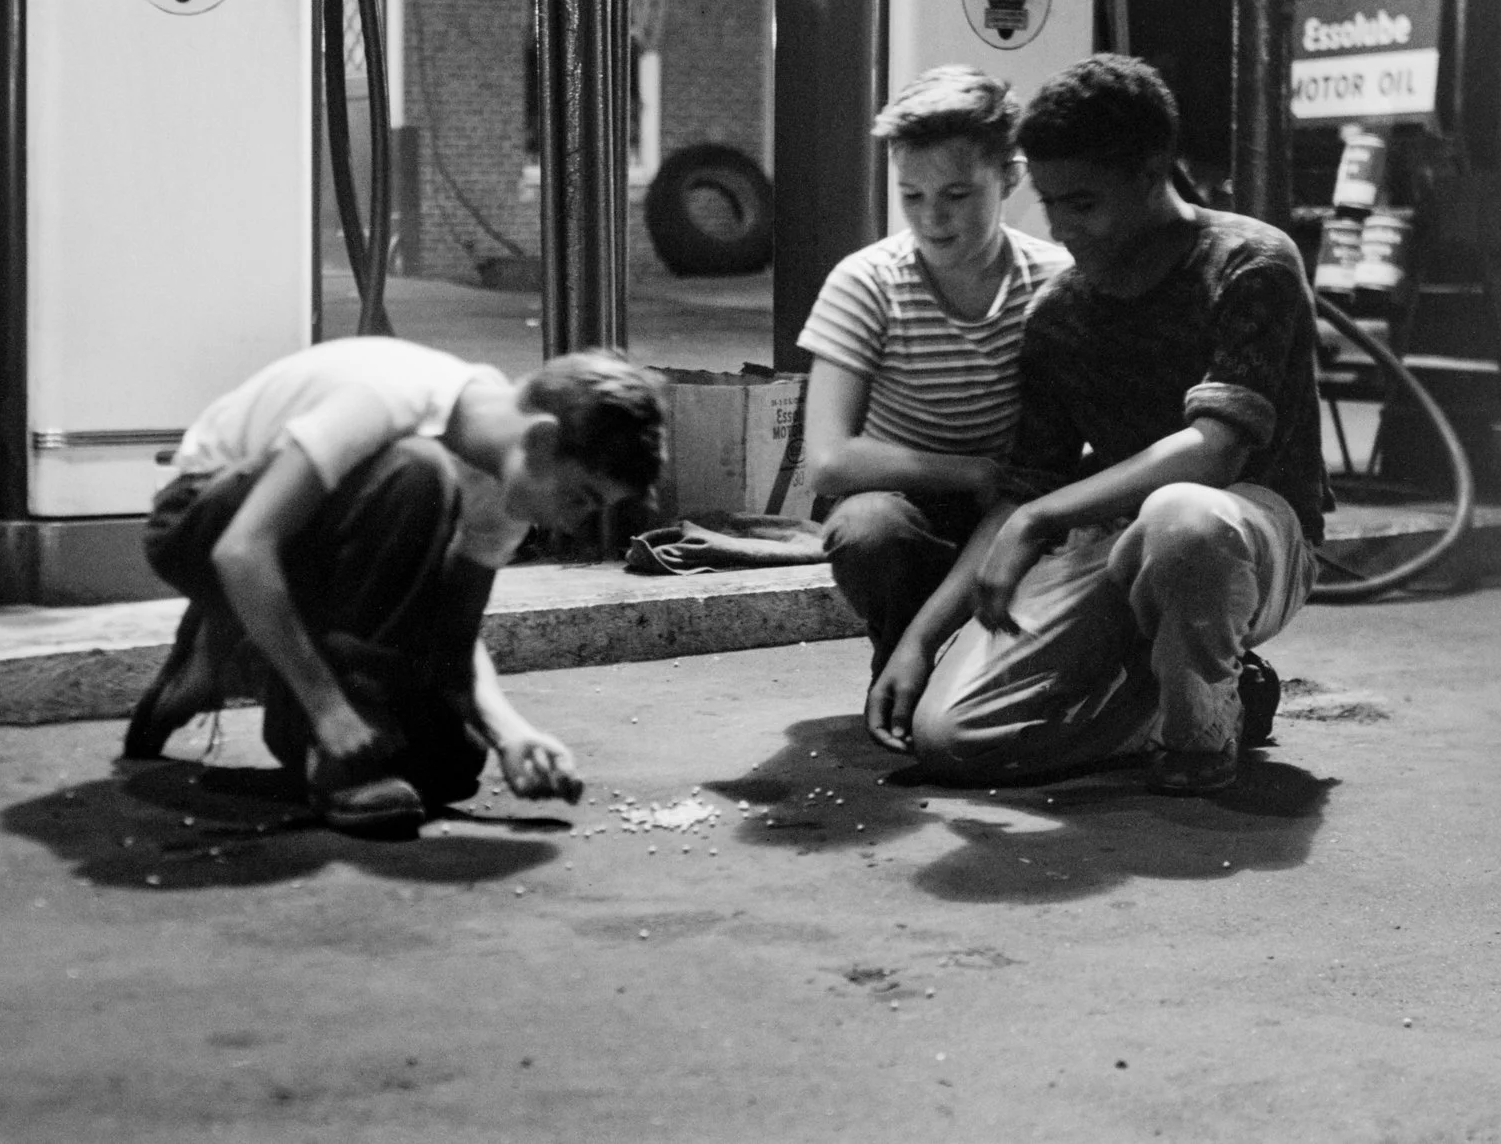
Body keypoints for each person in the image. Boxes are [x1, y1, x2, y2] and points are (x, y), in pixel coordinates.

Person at [866, 54, 1326, 796]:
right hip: (1116, 542)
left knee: (1183, 518)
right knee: (951, 739)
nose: (1062, 228)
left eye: (1082, 203)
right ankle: (1209, 700)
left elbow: (1212, 453)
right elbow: (1024, 492)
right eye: (1048, 205)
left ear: (1151, 173)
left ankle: (1199, 741)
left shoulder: (1249, 262)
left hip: (1254, 536)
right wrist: (918, 641)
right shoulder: (1058, 314)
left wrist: (1040, 517)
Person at [122, 337, 666, 833]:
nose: (574, 523)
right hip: (197, 523)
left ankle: (227, 645)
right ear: (544, 441)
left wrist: (510, 733)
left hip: (292, 560)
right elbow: (241, 550)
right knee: (419, 471)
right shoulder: (392, 398)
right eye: (581, 498)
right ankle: (325, 749)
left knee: (449, 760)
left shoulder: (504, 488)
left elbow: (451, 644)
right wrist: (329, 709)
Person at [797, 65, 1072, 679]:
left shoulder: (1055, 282)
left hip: (1021, 507)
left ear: (1010, 178)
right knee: (867, 529)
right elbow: (828, 460)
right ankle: (902, 660)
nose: (931, 219)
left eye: (956, 195)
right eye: (911, 196)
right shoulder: (866, 282)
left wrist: (1011, 490)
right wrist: (974, 472)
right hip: (908, 507)